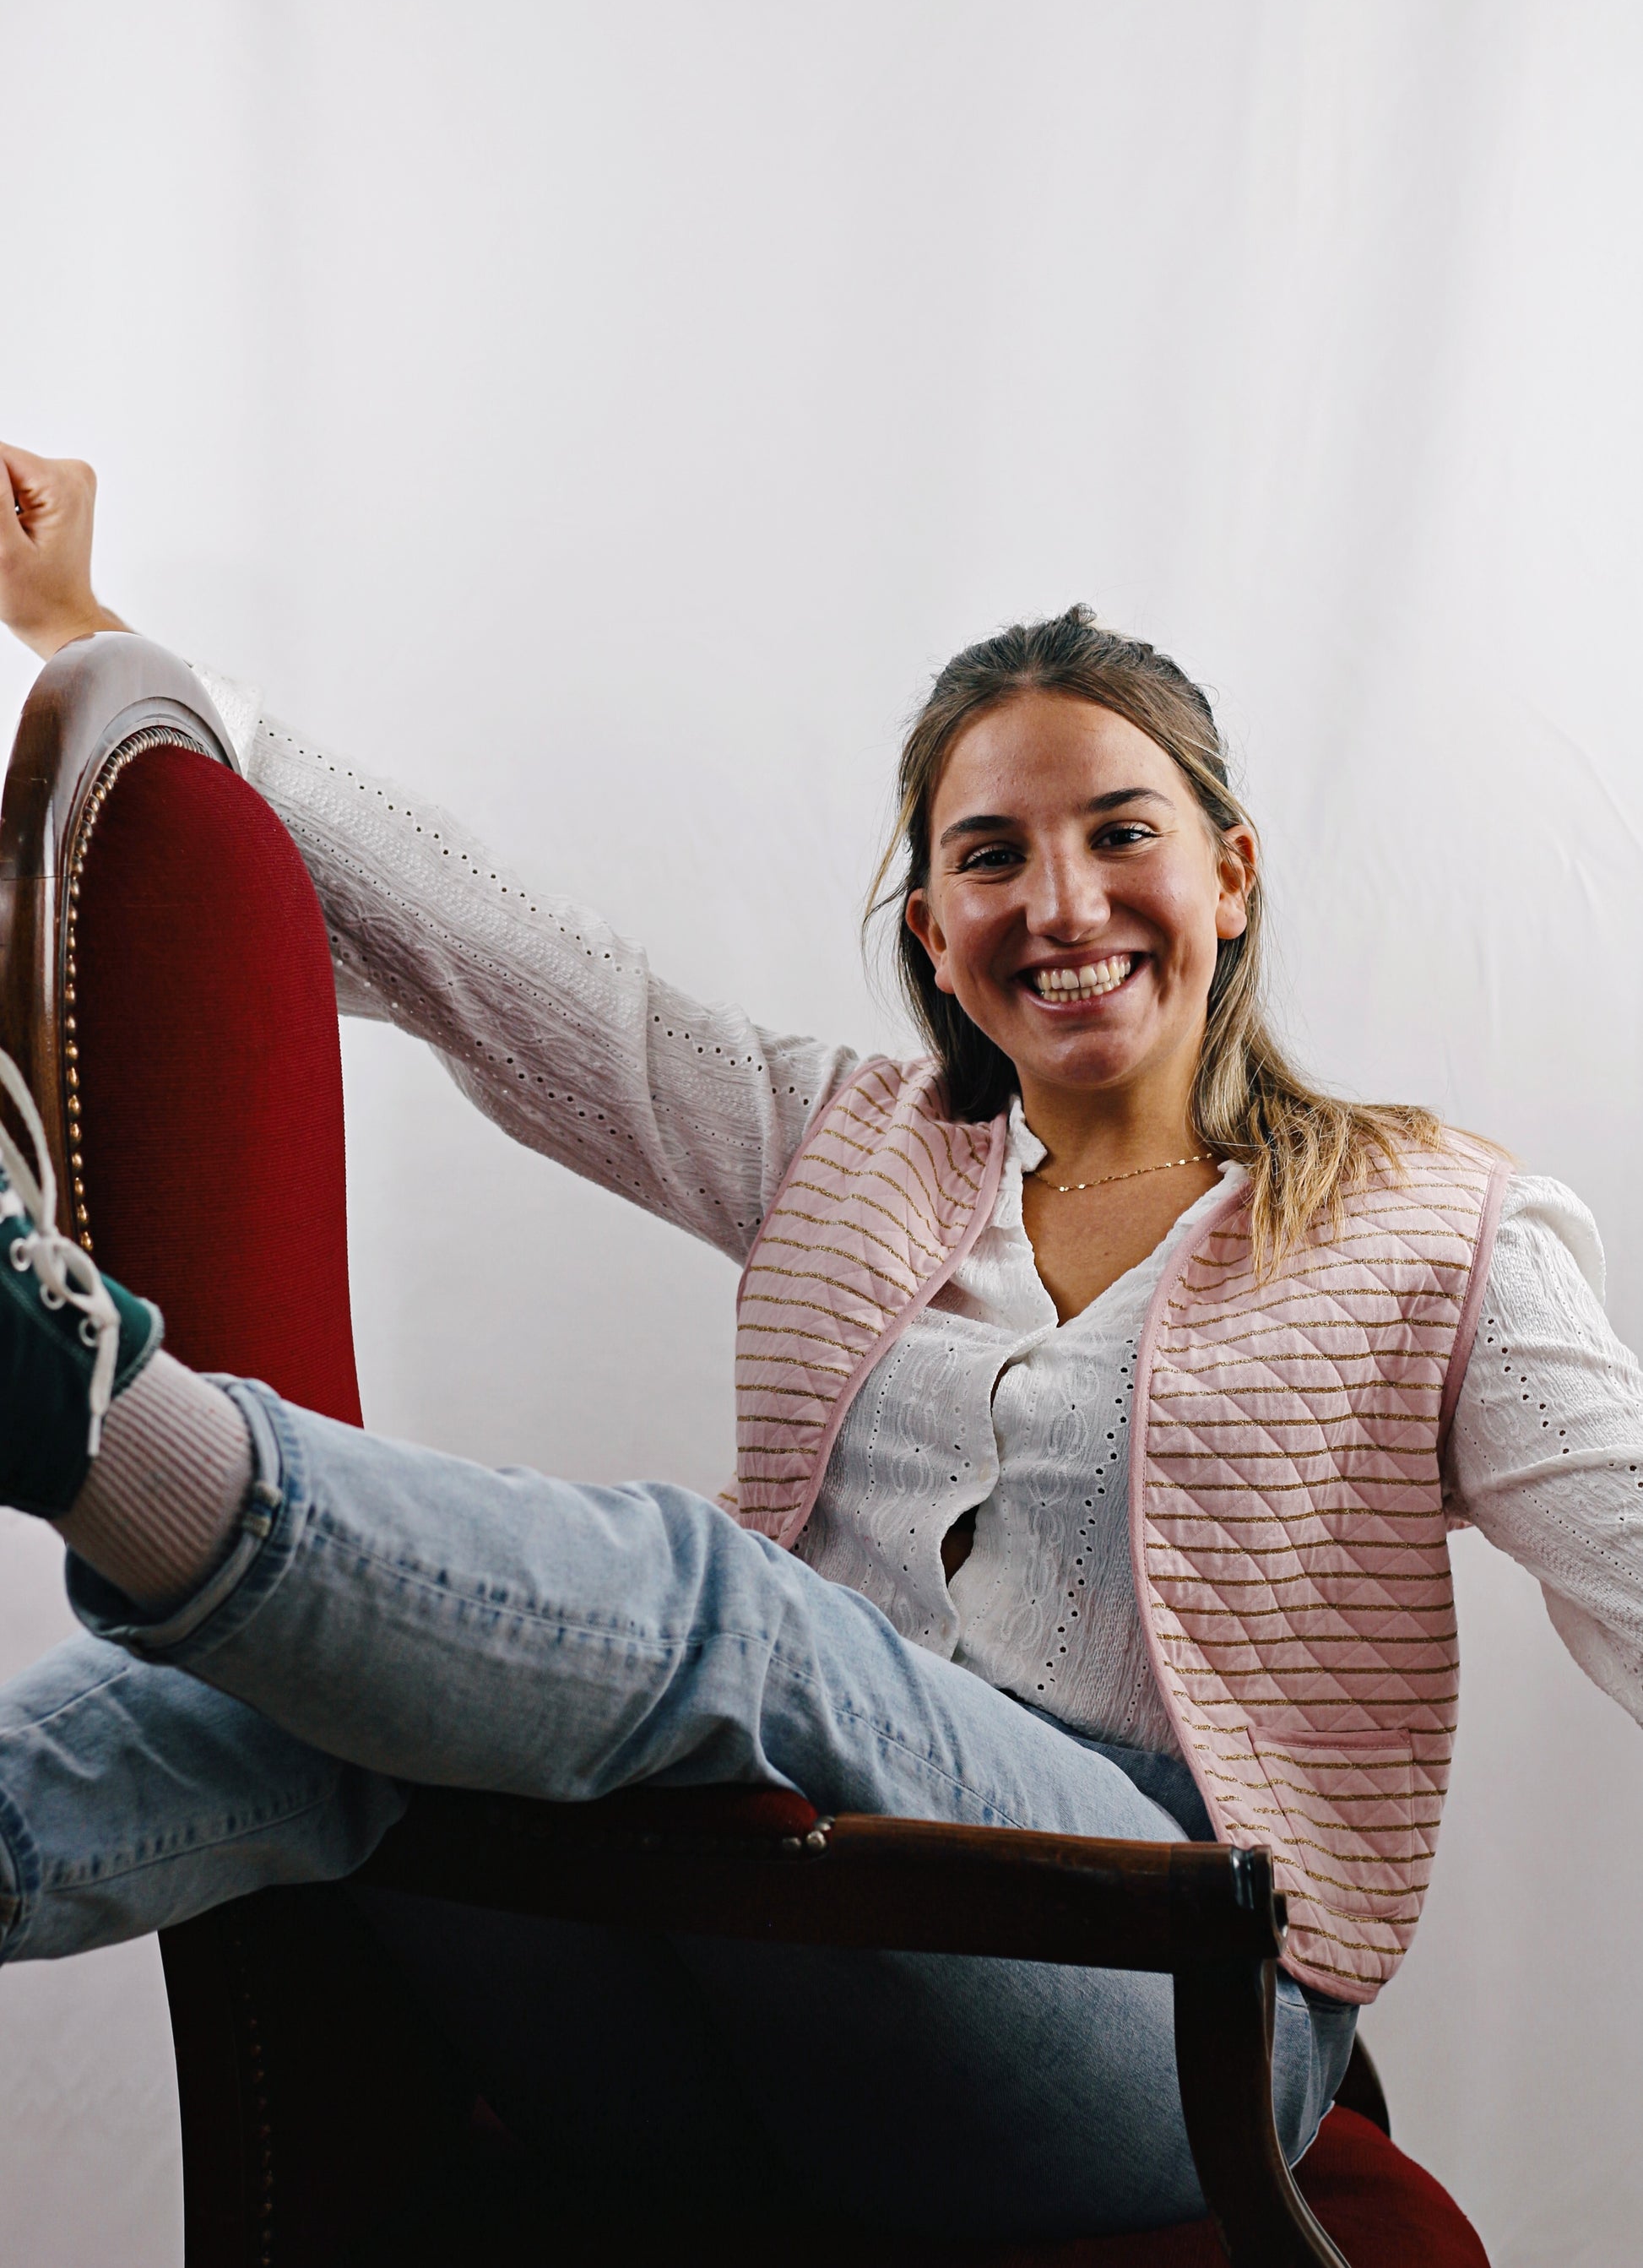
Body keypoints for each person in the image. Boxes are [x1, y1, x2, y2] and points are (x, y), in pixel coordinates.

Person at [0, 440, 1639, 2241]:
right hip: (749, 1986)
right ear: (934, 928)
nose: (1064, 904)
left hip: (1152, 2022)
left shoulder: (1433, 1222)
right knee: (336, 1693)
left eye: (1120, 833)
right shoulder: (839, 1147)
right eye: (991, 856)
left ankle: (96, 1425)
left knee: (739, 1615)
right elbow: (509, 967)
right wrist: (85, 631)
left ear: (1228, 874)